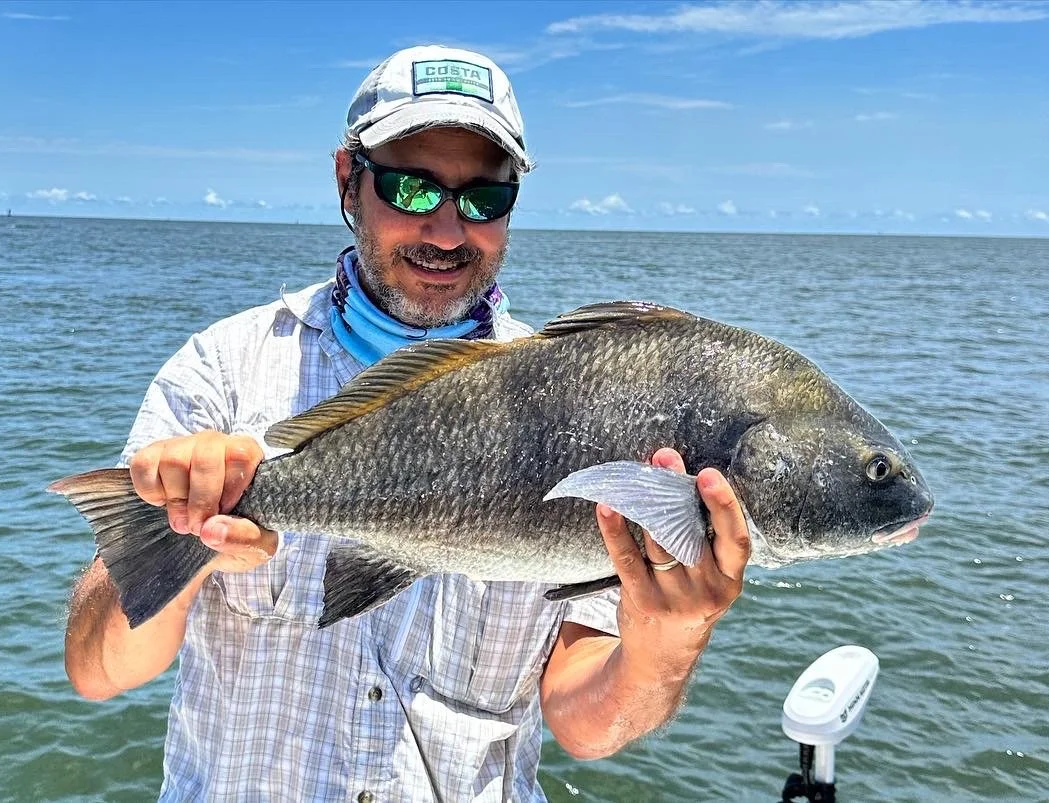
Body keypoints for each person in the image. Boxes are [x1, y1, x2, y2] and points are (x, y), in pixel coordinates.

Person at [64, 45, 751, 802]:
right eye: (411, 190)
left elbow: (586, 724)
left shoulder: (587, 400)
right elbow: (98, 671)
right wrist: (187, 531)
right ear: (346, 183)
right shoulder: (223, 370)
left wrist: (670, 637)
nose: (450, 232)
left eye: (485, 199)